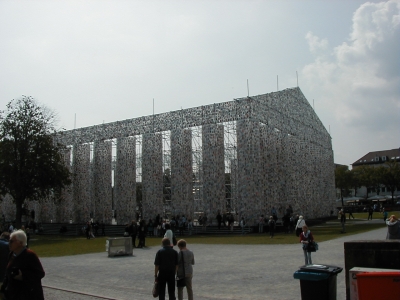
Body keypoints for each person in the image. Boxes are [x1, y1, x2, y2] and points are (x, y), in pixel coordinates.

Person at [1, 229, 45, 300]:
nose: (9, 243)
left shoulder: (30, 255)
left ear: (20, 243)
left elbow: (40, 273)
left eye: (11, 241)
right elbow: (7, 273)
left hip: (27, 294)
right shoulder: (12, 254)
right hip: (13, 294)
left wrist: (23, 276)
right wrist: (3, 290)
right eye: (9, 241)